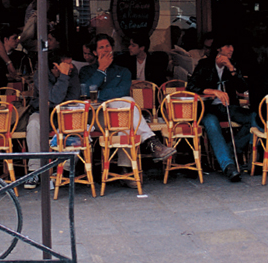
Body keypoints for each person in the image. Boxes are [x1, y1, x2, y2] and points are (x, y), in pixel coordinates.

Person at [79, 34, 175, 165]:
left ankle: (126, 169)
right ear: (95, 52)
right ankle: (151, 143)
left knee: (126, 115)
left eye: (108, 46)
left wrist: (99, 94)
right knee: (127, 108)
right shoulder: (86, 71)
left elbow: (122, 91)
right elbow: (87, 92)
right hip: (96, 118)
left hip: (118, 115)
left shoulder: (123, 71)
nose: (106, 50)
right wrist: (101, 70)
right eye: (101, 47)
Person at [187, 34, 257, 182]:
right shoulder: (205, 64)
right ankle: (229, 166)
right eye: (227, 46)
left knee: (253, 118)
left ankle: (230, 150)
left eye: (232, 46)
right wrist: (213, 91)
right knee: (212, 125)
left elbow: (243, 88)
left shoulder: (232, 64)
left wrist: (231, 68)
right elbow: (191, 86)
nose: (231, 49)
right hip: (208, 109)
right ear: (218, 48)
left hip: (227, 107)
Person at [25, 50, 81, 188]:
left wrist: (53, 100)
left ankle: (65, 169)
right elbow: (54, 98)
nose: (71, 67)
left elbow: (72, 96)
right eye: (67, 64)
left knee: (77, 125)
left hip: (64, 113)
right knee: (33, 125)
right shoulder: (41, 74)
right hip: (43, 113)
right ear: (56, 66)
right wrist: (63, 78)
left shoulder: (72, 73)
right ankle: (35, 170)